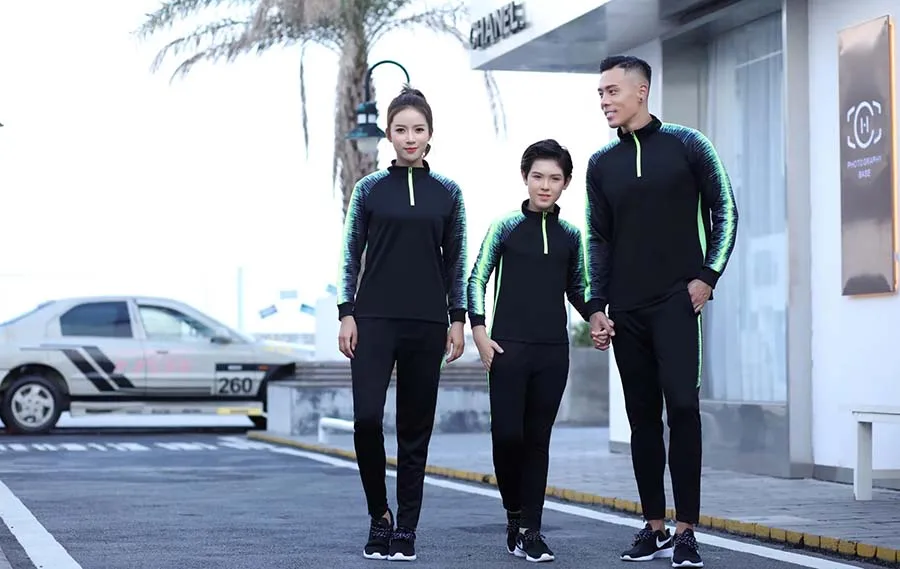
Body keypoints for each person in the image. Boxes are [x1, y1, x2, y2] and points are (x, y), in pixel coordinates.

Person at [585, 55, 738, 568]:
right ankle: (654, 527)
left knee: (684, 408)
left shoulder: (689, 145)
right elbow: (598, 240)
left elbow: (726, 209)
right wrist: (596, 306)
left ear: (641, 90)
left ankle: (687, 531)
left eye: (612, 91)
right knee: (642, 418)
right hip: (626, 309)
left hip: (677, 301)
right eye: (600, 93)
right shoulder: (600, 165)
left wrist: (708, 276)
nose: (604, 101)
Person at [336, 85, 468, 562]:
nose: (410, 137)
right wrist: (346, 312)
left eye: (418, 129)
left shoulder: (448, 193)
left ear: (430, 134)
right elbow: (350, 254)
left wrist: (457, 319)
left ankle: (406, 527)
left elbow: (456, 261)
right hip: (373, 320)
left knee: (415, 428)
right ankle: (380, 515)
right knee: (367, 420)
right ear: (389, 135)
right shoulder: (368, 189)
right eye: (401, 129)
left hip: (427, 322)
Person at [467, 139, 591, 563]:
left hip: (552, 352)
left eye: (554, 178)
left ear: (566, 183)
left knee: (538, 441)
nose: (545, 185)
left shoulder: (571, 235)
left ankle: (531, 531)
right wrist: (479, 333)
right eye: (538, 176)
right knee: (507, 436)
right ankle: (513, 512)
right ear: (525, 177)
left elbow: (579, 288)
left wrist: (596, 316)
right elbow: (476, 278)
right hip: (506, 349)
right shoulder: (504, 227)